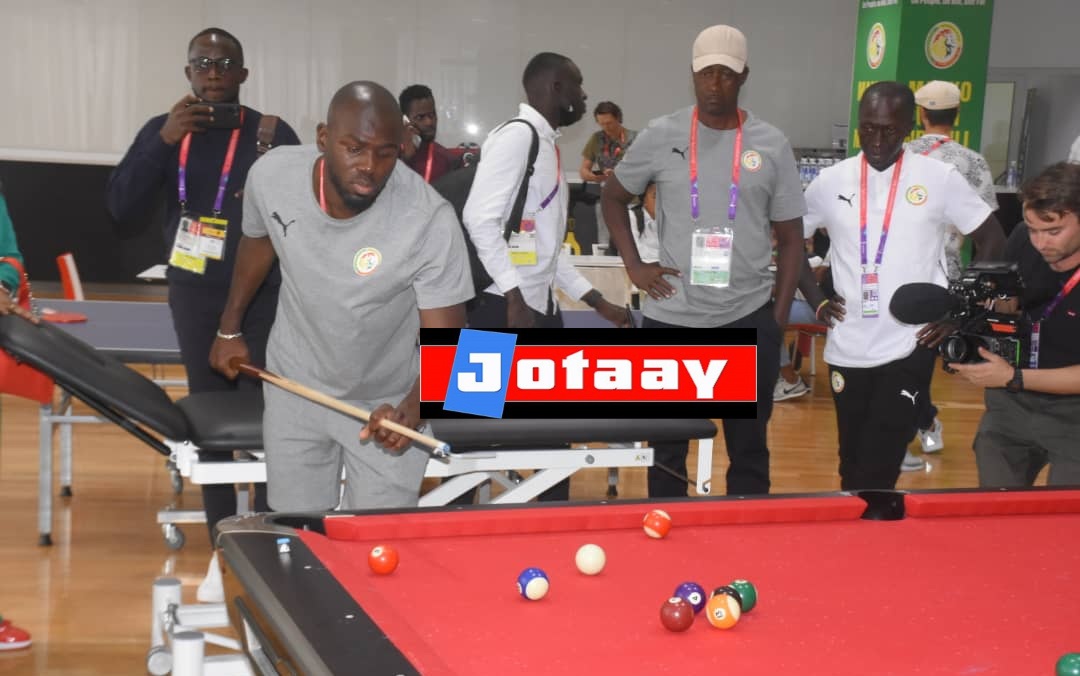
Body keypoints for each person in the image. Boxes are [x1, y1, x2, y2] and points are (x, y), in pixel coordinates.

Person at [210, 81, 472, 514]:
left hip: (383, 400)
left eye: (385, 153)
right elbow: (258, 241)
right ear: (323, 138)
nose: (369, 166)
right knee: (300, 530)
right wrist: (229, 328)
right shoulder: (272, 176)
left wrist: (412, 409)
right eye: (354, 148)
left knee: (376, 541)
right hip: (294, 386)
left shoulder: (428, 220)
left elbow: (449, 344)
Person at [106, 27, 300, 602]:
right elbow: (120, 208)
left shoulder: (272, 134)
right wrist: (163, 142)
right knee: (210, 419)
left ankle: (266, 533)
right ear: (188, 72)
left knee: (270, 418)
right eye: (202, 63)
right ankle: (223, 537)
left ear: (243, 74)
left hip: (265, 298)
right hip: (194, 296)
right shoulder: (164, 131)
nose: (213, 73)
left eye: (224, 63)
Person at [601, 24, 807, 497]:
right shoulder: (662, 134)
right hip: (673, 316)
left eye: (726, 75)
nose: (715, 85)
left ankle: (744, 531)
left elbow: (792, 238)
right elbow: (612, 197)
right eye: (705, 73)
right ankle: (668, 526)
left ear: (744, 76)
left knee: (749, 449)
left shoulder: (771, 143)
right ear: (692, 74)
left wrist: (775, 320)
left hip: (746, 316)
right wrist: (635, 266)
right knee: (667, 450)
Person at [802, 81, 1005, 491]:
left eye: (890, 130)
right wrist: (816, 299)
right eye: (868, 129)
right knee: (851, 462)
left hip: (911, 341)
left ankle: (878, 518)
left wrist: (958, 312)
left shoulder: (939, 177)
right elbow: (790, 242)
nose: (877, 140)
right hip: (847, 342)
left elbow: (993, 240)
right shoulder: (829, 181)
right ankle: (860, 524)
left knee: (882, 463)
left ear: (910, 127)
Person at [463, 52, 631, 502]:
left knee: (553, 438)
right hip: (497, 309)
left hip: (538, 310)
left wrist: (598, 302)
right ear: (555, 88)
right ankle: (451, 529)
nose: (584, 95)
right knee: (468, 440)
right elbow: (478, 219)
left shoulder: (545, 144)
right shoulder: (517, 137)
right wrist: (514, 295)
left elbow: (546, 251)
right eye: (578, 84)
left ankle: (548, 526)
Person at [952, 162, 1080, 486]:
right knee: (997, 504)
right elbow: (1009, 302)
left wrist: (1013, 376)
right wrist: (992, 309)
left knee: (1066, 512)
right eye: (1033, 229)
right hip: (1011, 403)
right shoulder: (1023, 239)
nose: (1040, 242)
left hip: (1073, 412)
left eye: (1053, 231)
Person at [904, 80, 1000, 463]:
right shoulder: (973, 162)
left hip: (899, 272)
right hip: (948, 277)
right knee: (919, 357)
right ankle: (922, 422)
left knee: (905, 358)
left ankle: (921, 423)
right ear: (956, 114)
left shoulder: (901, 155)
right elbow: (987, 229)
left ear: (920, 114)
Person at [579, 102, 637, 251]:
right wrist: (596, 176)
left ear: (618, 118)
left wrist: (620, 173)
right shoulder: (596, 139)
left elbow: (645, 168)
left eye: (609, 123)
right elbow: (584, 171)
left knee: (631, 242)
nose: (606, 127)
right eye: (601, 124)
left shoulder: (635, 138)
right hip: (607, 198)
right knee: (605, 242)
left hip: (633, 201)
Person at [399, 84, 460, 184]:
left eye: (432, 115)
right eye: (420, 117)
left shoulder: (448, 160)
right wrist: (405, 159)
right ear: (405, 120)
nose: (429, 122)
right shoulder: (390, 157)